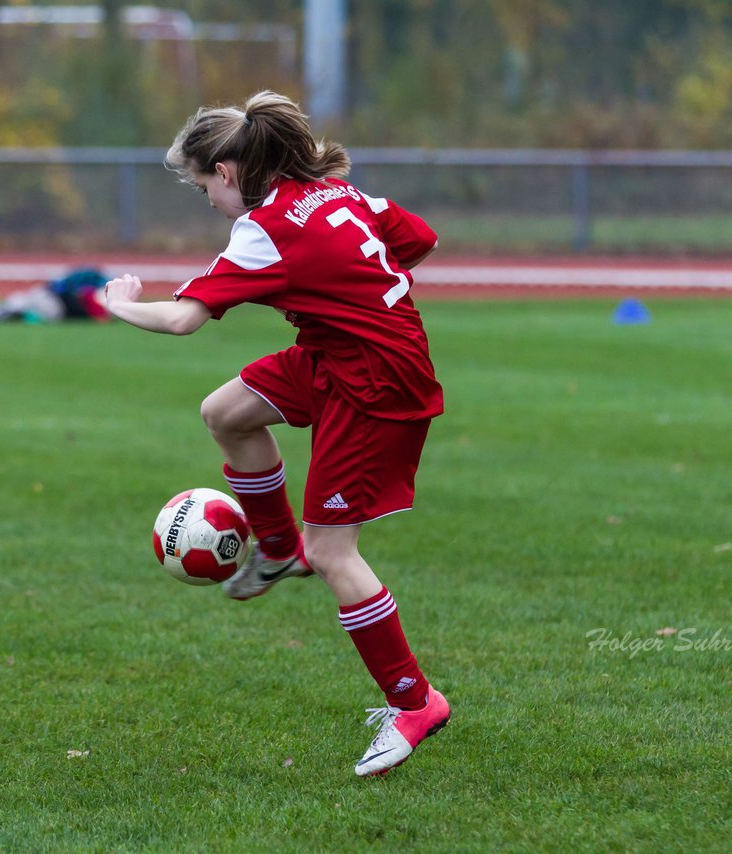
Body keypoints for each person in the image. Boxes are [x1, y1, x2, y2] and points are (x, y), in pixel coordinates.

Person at [104, 90, 450, 776]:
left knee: (336, 553)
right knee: (225, 413)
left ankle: (415, 703)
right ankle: (277, 547)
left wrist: (117, 302)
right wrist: (352, 296)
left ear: (227, 174)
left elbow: (181, 320)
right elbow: (419, 241)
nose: (205, 199)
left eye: (202, 184)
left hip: (374, 383)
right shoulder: (334, 193)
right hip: (340, 355)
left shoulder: (265, 231)